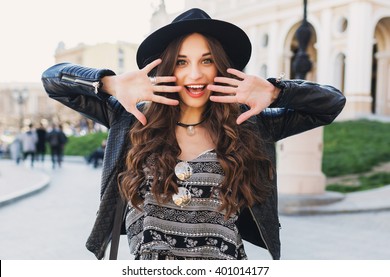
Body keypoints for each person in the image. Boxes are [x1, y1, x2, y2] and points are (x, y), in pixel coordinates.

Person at [41, 8, 346, 260]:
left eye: (207, 61)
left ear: (220, 68)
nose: (196, 74)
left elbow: (331, 104)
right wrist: (108, 83)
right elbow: (53, 80)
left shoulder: (248, 122)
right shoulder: (132, 117)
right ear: (168, 69)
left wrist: (277, 91)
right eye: (182, 62)